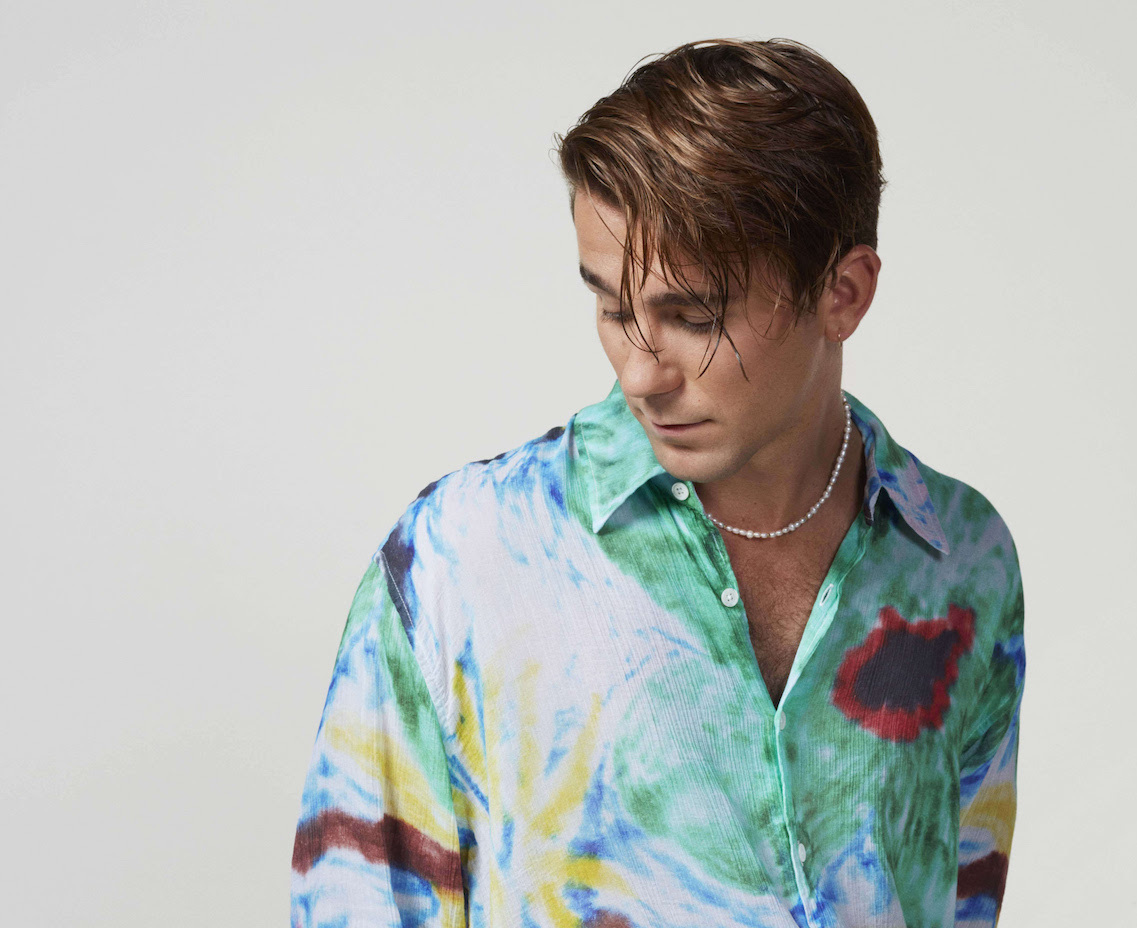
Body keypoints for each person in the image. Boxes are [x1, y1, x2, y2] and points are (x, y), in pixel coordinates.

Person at [290, 37, 1026, 928]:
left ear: (844, 294)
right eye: (611, 307)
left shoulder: (962, 558)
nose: (640, 373)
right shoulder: (462, 557)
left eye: (695, 317)